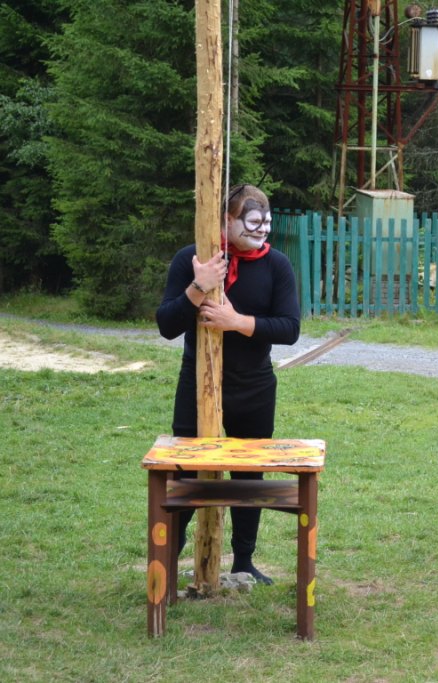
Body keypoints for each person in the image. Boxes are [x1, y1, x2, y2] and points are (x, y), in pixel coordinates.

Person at [156, 183, 300, 585]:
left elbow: (289, 328)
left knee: (248, 473)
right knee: (185, 471)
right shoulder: (193, 260)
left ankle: (243, 562)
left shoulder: (276, 265)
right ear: (227, 219)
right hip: (197, 381)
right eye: (252, 222)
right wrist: (199, 286)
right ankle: (168, 559)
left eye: (266, 222)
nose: (262, 230)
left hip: (253, 385)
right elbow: (167, 324)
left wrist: (236, 322)